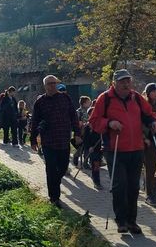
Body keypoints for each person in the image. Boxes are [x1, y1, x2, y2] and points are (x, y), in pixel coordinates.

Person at [89, 69, 156, 234]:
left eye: (128, 81)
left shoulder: (136, 97)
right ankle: (121, 221)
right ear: (114, 83)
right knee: (120, 185)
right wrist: (109, 123)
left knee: (133, 187)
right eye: (122, 81)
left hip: (136, 148)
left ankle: (132, 221)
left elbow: (150, 114)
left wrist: (154, 123)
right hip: (115, 149)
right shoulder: (105, 98)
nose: (126, 84)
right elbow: (94, 121)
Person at [30, 75, 82, 208]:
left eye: (54, 83)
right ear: (45, 86)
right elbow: (35, 121)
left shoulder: (65, 98)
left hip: (63, 140)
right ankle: (54, 197)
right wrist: (33, 139)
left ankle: (55, 183)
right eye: (49, 84)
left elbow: (73, 116)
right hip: (48, 141)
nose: (52, 85)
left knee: (63, 167)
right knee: (51, 169)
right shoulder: (40, 102)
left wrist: (77, 133)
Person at [82, 107, 103, 190]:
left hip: (100, 148)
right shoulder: (88, 126)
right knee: (95, 165)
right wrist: (89, 147)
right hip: (92, 149)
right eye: (92, 113)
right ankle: (96, 182)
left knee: (98, 164)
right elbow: (85, 139)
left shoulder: (100, 124)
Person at [73, 96, 92, 167]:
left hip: (88, 132)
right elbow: (76, 123)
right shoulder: (79, 112)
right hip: (81, 132)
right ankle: (76, 157)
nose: (90, 103)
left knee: (87, 147)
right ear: (83, 104)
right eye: (88, 102)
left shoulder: (90, 111)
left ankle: (86, 162)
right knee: (81, 148)